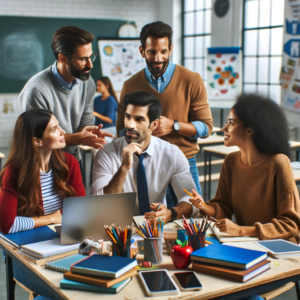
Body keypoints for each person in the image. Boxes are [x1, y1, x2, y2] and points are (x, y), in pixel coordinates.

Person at [116, 21, 213, 204]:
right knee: (146, 222)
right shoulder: (130, 85)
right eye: (152, 51)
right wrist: (140, 132)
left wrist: (174, 126)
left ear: (171, 49)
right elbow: (121, 129)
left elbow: (206, 127)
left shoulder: (192, 80)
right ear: (142, 51)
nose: (158, 58)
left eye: (163, 51)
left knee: (191, 217)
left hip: (184, 161)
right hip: (143, 164)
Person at [189, 93, 300, 244]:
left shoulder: (278, 163)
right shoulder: (231, 161)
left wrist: (241, 230)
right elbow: (224, 205)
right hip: (247, 242)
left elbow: (291, 224)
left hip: (281, 247)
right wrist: (206, 207)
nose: (224, 128)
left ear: (249, 131)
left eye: (231, 123)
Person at [0, 109, 85, 299]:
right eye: (55, 129)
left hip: (64, 247)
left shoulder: (69, 163)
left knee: (83, 284)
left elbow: (81, 210)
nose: (63, 132)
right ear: (37, 140)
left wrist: (48, 220)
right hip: (24, 255)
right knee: (62, 290)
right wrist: (52, 218)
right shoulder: (14, 171)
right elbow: (7, 224)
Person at [92, 91, 198, 222]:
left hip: (156, 227)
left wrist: (171, 214)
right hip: (117, 227)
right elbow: (99, 205)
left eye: (139, 119)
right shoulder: (106, 153)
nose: (130, 125)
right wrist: (124, 168)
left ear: (153, 125)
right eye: (127, 117)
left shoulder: (172, 153)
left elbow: (192, 200)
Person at [19, 26, 113, 167]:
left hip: (73, 161)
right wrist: (79, 138)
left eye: (91, 57)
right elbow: (40, 140)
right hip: (43, 166)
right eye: (83, 59)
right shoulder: (36, 90)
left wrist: (88, 133)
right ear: (63, 58)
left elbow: (83, 125)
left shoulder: (87, 83)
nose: (90, 65)